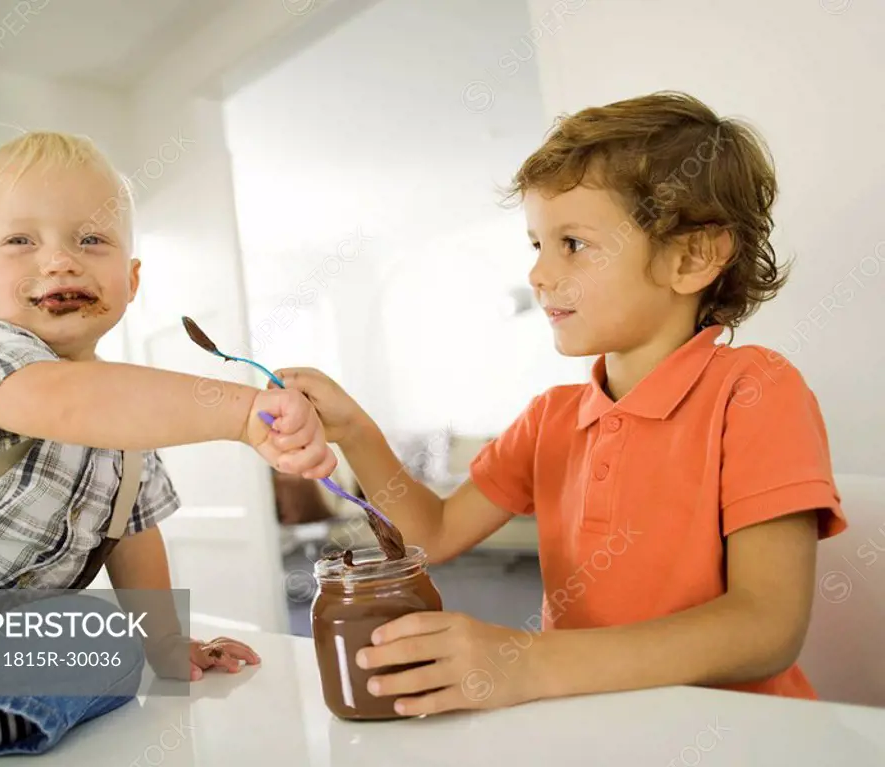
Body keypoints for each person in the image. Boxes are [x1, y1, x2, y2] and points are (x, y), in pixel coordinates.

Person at [271, 92, 848, 717]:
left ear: (692, 257)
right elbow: (432, 533)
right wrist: (354, 429)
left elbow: (766, 627)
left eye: (572, 243)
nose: (539, 274)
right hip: (590, 727)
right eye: (536, 245)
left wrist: (528, 660)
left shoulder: (755, 391)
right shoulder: (551, 418)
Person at [0, 131, 336, 764]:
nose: (59, 261)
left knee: (112, 641)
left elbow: (134, 536)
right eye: (20, 240)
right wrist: (241, 409)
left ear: (131, 279)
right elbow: (63, 401)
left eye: (91, 239)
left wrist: (165, 641)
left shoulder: (130, 436)